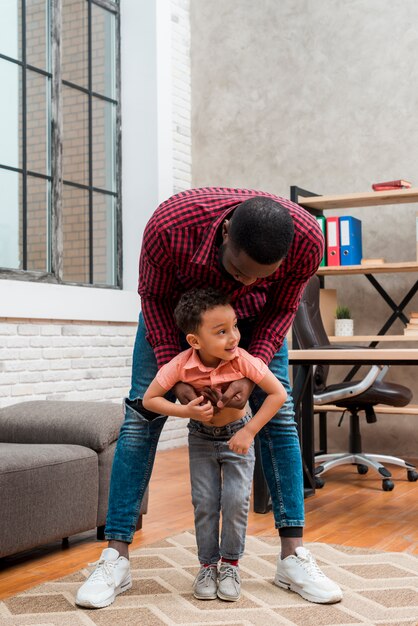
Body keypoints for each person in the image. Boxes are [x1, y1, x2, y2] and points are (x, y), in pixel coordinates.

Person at [76, 187, 343, 609]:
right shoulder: (170, 226)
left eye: (262, 275)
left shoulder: (308, 240)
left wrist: (252, 377)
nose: (249, 282)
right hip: (177, 318)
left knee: (282, 415)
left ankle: (292, 556)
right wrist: (177, 373)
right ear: (224, 234)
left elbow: (282, 309)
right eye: (240, 271)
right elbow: (156, 298)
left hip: (252, 322)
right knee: (138, 420)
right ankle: (116, 557)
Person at [143, 288, 287, 601]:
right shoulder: (181, 365)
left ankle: (231, 565)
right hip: (201, 439)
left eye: (234, 326)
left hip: (237, 435)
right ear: (195, 341)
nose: (233, 337)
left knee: (235, 502)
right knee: (205, 503)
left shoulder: (243, 360)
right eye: (221, 332)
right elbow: (149, 399)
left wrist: (249, 431)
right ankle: (207, 566)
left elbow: (278, 394)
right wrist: (185, 411)